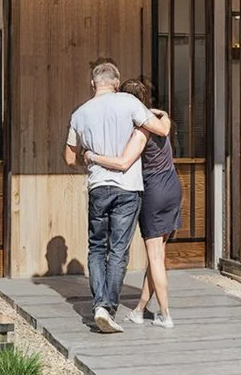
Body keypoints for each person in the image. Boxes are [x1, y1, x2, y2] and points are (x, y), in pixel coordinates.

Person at [82, 76, 178, 329]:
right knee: (157, 255)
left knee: (155, 256)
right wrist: (163, 113)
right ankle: (140, 309)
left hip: (154, 190)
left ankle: (166, 315)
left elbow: (123, 162)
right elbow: (166, 125)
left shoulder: (138, 130)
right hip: (172, 187)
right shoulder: (157, 121)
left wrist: (92, 156)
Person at [62, 58, 145, 332]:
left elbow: (69, 158)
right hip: (128, 186)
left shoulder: (79, 114)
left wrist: (89, 159)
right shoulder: (129, 102)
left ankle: (100, 304)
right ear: (116, 83)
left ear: (93, 84)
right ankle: (108, 308)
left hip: (98, 186)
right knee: (118, 250)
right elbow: (156, 128)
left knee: (97, 247)